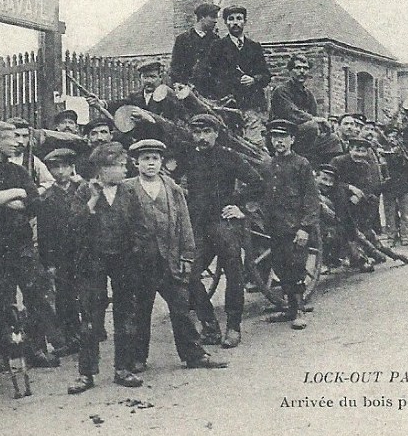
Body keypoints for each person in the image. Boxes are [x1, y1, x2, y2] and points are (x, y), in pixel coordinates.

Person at [125, 139, 229, 372]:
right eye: (145, 159)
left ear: (161, 161)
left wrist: (187, 257)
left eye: (154, 159)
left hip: (171, 261)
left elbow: (185, 225)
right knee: (141, 310)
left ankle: (194, 355)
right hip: (141, 262)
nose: (150, 163)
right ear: (136, 163)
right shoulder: (128, 189)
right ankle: (137, 358)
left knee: (181, 309)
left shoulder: (172, 188)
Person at [0, 121, 59, 370]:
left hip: (22, 244)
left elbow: (34, 204)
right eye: (10, 138)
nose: (18, 142)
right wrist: (16, 194)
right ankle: (1, 354)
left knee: (35, 295)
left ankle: (36, 349)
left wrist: (2, 198)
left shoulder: (19, 171)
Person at [64, 142, 143, 393]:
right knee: (90, 317)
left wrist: (135, 252)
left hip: (123, 259)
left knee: (126, 313)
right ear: (103, 169)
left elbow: (140, 225)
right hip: (93, 260)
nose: (124, 170)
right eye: (119, 166)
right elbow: (74, 225)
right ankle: (86, 373)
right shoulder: (84, 191)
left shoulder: (129, 192)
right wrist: (94, 199)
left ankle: (123, 368)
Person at [184, 113, 263, 349]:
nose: (201, 137)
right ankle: (209, 324)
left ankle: (233, 327)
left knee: (234, 272)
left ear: (216, 134)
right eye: (197, 132)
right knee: (188, 274)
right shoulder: (188, 157)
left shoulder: (229, 157)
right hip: (199, 225)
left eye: (206, 132)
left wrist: (239, 207)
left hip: (224, 223)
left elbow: (258, 183)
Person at [259, 120, 321, 329]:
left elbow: (311, 198)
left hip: (295, 227)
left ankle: (299, 310)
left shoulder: (301, 164)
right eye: (275, 137)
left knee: (295, 268)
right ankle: (289, 309)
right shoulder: (268, 165)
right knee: (280, 266)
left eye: (283, 137)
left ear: (292, 140)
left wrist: (305, 227)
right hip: (275, 227)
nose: (279, 141)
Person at [37, 143, 88, 358]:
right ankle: (70, 337)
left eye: (64, 167)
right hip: (61, 255)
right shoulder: (48, 198)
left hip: (83, 252)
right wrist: (48, 262)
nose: (59, 172)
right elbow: (44, 232)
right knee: (65, 297)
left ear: (72, 168)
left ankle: (88, 334)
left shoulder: (83, 191)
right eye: (54, 168)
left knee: (86, 295)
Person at [197, 5, 271, 145]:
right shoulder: (217, 47)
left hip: (251, 107)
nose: (235, 22)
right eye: (231, 19)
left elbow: (266, 75)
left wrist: (254, 79)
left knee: (255, 145)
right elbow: (205, 76)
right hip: (227, 108)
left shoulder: (254, 47)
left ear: (245, 21)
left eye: (239, 18)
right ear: (226, 22)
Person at [170, 1, 220, 87]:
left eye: (216, 17)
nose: (215, 21)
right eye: (212, 17)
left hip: (210, 90)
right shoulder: (182, 39)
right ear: (202, 17)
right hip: (188, 90)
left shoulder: (216, 40)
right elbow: (176, 67)